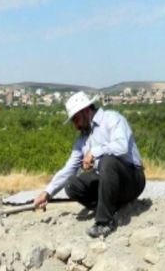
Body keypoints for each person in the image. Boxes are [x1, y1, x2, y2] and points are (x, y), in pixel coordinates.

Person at [33, 91, 146, 238]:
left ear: (86, 110)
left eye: (76, 119)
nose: (75, 124)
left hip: (132, 179)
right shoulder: (82, 139)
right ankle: (109, 206)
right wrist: (47, 193)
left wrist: (95, 151)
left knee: (108, 160)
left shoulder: (112, 119)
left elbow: (121, 146)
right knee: (72, 184)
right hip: (109, 182)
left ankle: (104, 223)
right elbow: (69, 169)